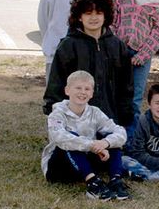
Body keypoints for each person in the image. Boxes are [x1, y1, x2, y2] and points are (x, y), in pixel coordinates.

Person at [44, 0, 135, 128]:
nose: (93, 18)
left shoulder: (117, 46)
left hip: (109, 117)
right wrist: (53, 108)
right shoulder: (68, 45)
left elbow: (126, 84)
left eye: (98, 13)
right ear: (79, 17)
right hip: (76, 118)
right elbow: (57, 81)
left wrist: (125, 113)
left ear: (106, 16)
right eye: (88, 13)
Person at [41, 71, 130, 200]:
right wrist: (92, 145)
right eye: (78, 88)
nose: (82, 92)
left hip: (86, 162)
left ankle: (116, 180)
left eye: (87, 89)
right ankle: (92, 183)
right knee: (70, 139)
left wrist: (104, 143)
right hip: (59, 168)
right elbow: (59, 138)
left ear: (92, 93)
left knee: (111, 138)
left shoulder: (95, 112)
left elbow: (120, 132)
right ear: (67, 90)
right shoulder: (57, 114)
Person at [110, 0, 159, 126]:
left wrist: (143, 55)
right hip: (119, 51)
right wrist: (116, 50)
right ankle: (112, 135)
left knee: (135, 97)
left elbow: (158, 30)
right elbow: (110, 24)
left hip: (142, 53)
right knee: (115, 93)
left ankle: (132, 137)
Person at [39, 0, 93, 76]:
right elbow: (43, 19)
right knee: (55, 91)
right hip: (56, 50)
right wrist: (50, 40)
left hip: (82, 52)